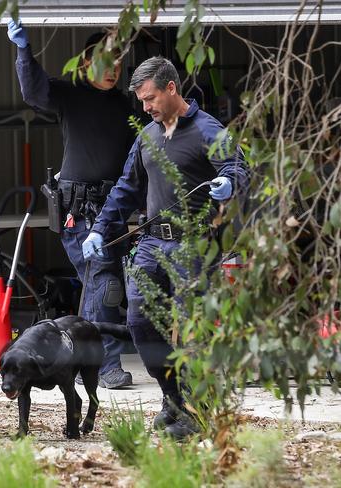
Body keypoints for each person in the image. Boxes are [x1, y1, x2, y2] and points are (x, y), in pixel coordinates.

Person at [82, 56, 250, 439]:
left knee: (192, 333)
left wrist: (229, 182)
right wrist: (98, 229)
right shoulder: (148, 136)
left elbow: (238, 168)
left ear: (171, 88)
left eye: (151, 98)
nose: (146, 107)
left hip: (194, 246)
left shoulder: (209, 130)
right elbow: (125, 190)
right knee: (140, 324)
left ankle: (195, 411)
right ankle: (172, 398)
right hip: (151, 244)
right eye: (142, 101)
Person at [7, 20, 135, 389]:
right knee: (104, 284)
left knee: (104, 286)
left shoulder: (127, 105)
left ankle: (86, 362)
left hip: (113, 210)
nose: (113, 69)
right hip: (79, 211)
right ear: (84, 65)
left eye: (117, 62)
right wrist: (22, 51)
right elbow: (34, 92)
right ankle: (103, 366)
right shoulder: (69, 94)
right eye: (104, 62)